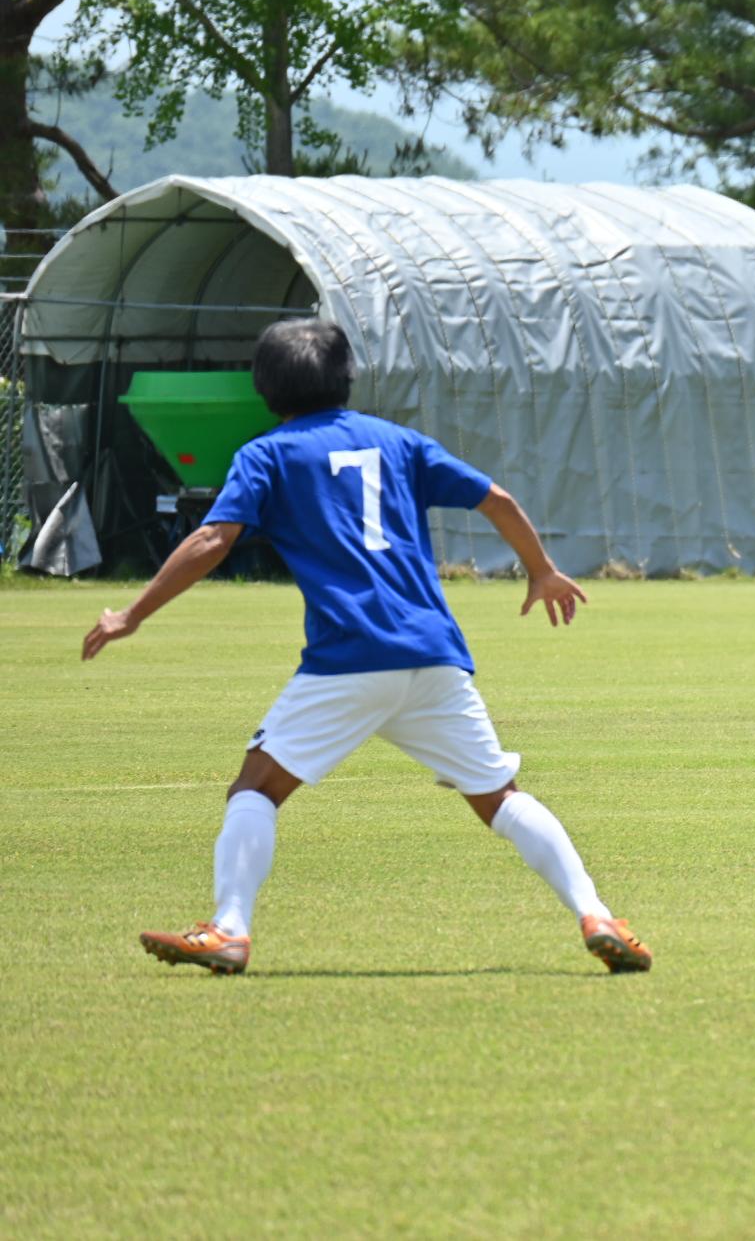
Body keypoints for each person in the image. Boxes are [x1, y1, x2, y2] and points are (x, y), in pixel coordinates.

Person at [82, 319, 650, 975]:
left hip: (349, 656)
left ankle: (229, 928)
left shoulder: (265, 455)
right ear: (347, 377)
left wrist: (133, 613)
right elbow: (496, 498)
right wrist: (542, 569)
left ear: (263, 388)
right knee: (501, 796)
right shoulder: (399, 442)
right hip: (434, 656)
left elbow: (214, 541)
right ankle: (597, 913)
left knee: (256, 787)